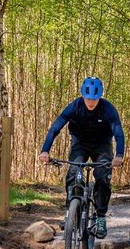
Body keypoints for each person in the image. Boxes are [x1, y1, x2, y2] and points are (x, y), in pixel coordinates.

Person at [39, 76, 125, 239]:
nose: (91, 102)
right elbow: (55, 128)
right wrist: (45, 151)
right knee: (74, 172)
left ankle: (100, 217)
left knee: (102, 177)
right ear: (83, 96)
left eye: (94, 99)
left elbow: (119, 133)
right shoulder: (75, 107)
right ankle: (69, 213)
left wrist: (119, 155)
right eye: (88, 99)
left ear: (100, 96)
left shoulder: (108, 109)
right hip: (80, 143)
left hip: (102, 145)